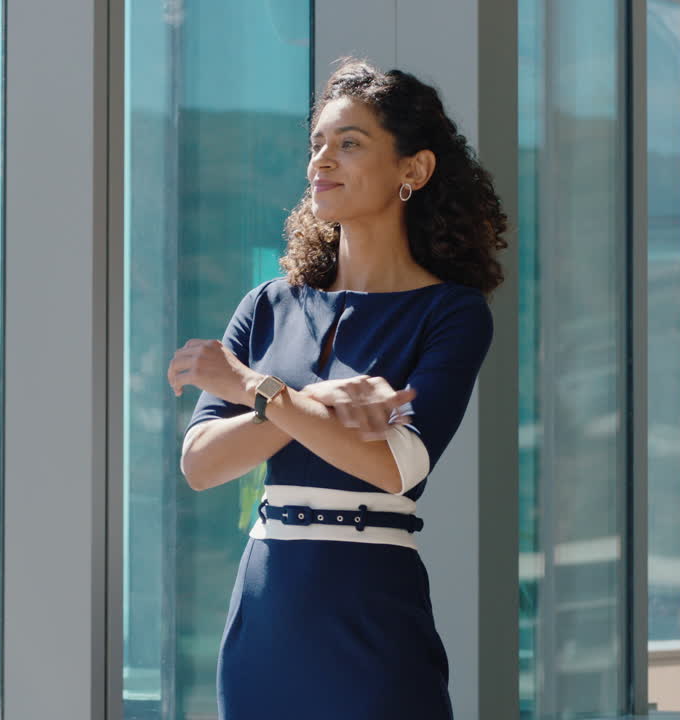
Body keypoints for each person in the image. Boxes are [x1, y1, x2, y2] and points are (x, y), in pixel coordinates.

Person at [167, 57, 507, 720]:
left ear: (414, 170)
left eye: (349, 144)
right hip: (263, 617)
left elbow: (395, 467)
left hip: (371, 617)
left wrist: (258, 390)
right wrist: (313, 407)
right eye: (317, 144)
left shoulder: (452, 314)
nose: (322, 160)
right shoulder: (266, 305)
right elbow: (202, 463)